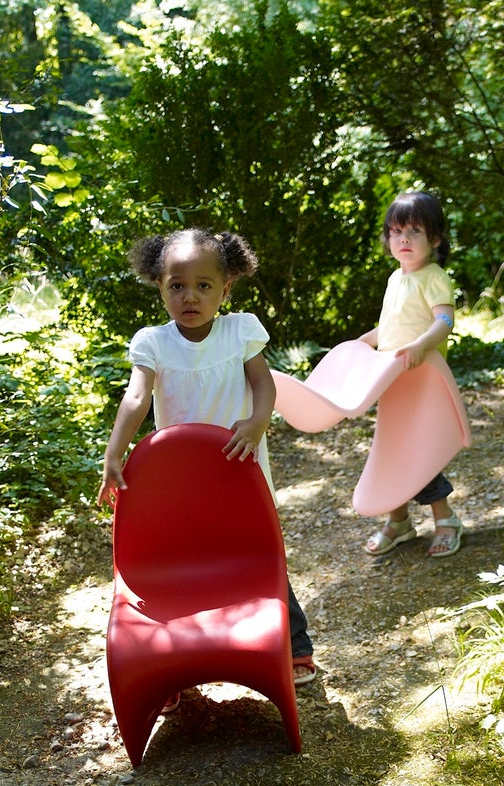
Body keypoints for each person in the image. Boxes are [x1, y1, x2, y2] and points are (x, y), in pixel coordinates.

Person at [98, 227, 317, 685]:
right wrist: (113, 454)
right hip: (183, 479)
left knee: (259, 551)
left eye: (203, 285)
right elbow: (136, 399)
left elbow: (263, 382)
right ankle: (174, 662)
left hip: (240, 465)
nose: (189, 296)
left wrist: (259, 421)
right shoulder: (153, 343)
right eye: (177, 285)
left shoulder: (239, 331)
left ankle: (294, 647)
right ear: (159, 286)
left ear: (226, 288)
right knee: (188, 560)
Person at [359, 190, 465, 560]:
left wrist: (423, 345)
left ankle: (446, 519)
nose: (403, 239)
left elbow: (445, 321)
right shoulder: (395, 279)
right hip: (393, 382)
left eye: (415, 231)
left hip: (422, 382)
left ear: (434, 239)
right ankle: (399, 520)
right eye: (396, 231)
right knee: (391, 451)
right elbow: (390, 328)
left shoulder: (433, 277)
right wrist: (365, 342)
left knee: (418, 454)